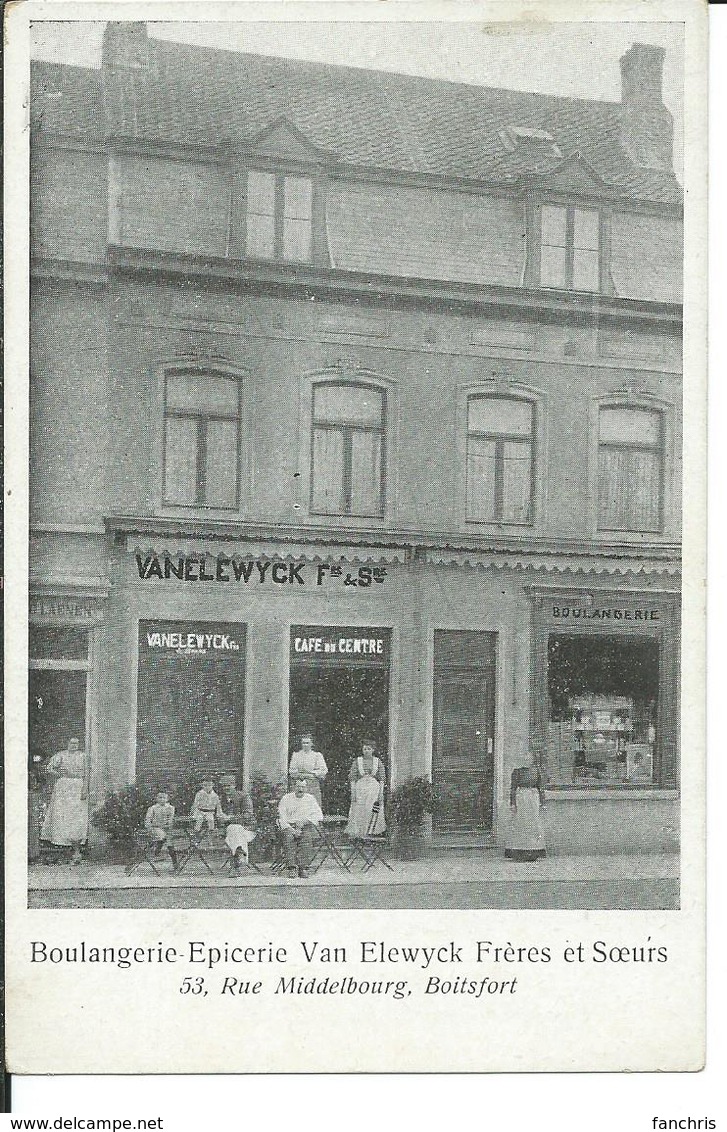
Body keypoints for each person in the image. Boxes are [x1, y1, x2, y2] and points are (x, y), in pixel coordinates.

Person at [41, 737, 89, 865]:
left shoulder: (83, 756)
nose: (74, 745)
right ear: (67, 743)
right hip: (63, 786)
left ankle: (76, 850)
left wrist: (84, 789)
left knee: (76, 816)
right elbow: (49, 768)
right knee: (62, 816)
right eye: (71, 743)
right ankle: (63, 848)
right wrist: (58, 774)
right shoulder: (61, 755)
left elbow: (87, 773)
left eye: (76, 743)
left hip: (77, 785)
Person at [278, 775, 323, 878]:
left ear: (306, 788)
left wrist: (305, 821)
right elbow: (281, 817)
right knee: (289, 838)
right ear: (294, 787)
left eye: (303, 787)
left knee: (306, 838)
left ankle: (303, 868)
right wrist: (292, 829)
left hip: (304, 825)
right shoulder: (286, 798)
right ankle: (292, 868)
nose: (300, 789)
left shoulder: (310, 799)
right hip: (289, 826)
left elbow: (319, 815)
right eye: (298, 786)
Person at [504, 759, 546, 862]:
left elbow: (541, 788)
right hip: (521, 800)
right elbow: (513, 788)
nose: (527, 761)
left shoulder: (537, 771)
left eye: (530, 758)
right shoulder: (517, 772)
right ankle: (519, 851)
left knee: (533, 824)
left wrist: (542, 802)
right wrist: (513, 804)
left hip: (533, 800)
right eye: (525, 758)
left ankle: (534, 851)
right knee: (520, 823)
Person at [346, 740, 386, 837]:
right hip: (360, 788)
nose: (367, 751)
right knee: (359, 809)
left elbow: (381, 779)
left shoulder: (377, 761)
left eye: (369, 749)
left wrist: (381, 793)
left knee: (372, 809)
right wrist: (353, 792)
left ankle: (371, 832)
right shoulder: (357, 761)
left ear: (373, 750)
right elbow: (353, 778)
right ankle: (359, 834)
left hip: (373, 789)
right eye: (365, 749)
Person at [218, 773, 256, 872]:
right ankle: (240, 855)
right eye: (224, 786)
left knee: (235, 829)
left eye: (228, 785)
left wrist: (229, 819)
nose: (226, 788)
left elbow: (248, 815)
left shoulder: (244, 797)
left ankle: (235, 865)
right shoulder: (221, 799)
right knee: (233, 829)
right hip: (228, 832)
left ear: (234, 785)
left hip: (246, 829)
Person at [288, 733, 327, 808]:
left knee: (312, 806)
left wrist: (310, 774)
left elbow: (323, 770)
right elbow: (292, 770)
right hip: (299, 783)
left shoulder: (317, 756)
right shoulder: (296, 755)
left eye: (307, 743)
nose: (305, 745)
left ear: (311, 744)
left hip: (312, 785)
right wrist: (303, 774)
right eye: (303, 743)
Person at [144, 791, 178, 865]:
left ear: (167, 799)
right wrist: (149, 828)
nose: (162, 799)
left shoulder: (170, 808)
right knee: (163, 836)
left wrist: (168, 825)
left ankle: (175, 863)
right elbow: (148, 820)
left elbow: (171, 819)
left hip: (167, 828)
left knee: (170, 842)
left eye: (164, 798)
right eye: (160, 798)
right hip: (156, 828)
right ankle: (157, 852)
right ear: (156, 799)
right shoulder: (152, 808)